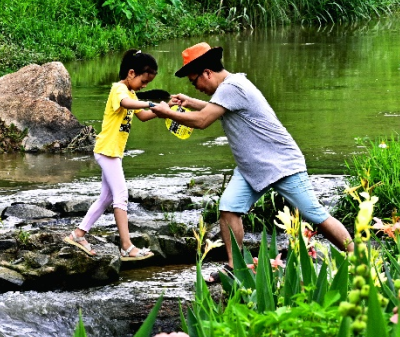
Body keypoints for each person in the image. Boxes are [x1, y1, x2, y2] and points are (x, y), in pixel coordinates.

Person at [154, 42, 353, 280]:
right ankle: (235, 267)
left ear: (207, 73)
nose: (196, 87)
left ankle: (357, 256)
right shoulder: (230, 87)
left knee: (313, 214)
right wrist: (190, 102)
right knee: (228, 208)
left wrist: (165, 112)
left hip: (281, 165)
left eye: (194, 80)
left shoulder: (231, 87)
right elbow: (218, 109)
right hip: (251, 168)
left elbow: (202, 121)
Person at [66, 49, 171, 261]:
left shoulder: (131, 93)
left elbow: (142, 116)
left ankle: (78, 234)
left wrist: (166, 109)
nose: (144, 86)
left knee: (106, 197)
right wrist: (150, 102)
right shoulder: (118, 90)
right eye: (144, 81)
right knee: (121, 195)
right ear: (131, 73)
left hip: (113, 152)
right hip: (107, 151)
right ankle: (126, 246)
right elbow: (127, 104)